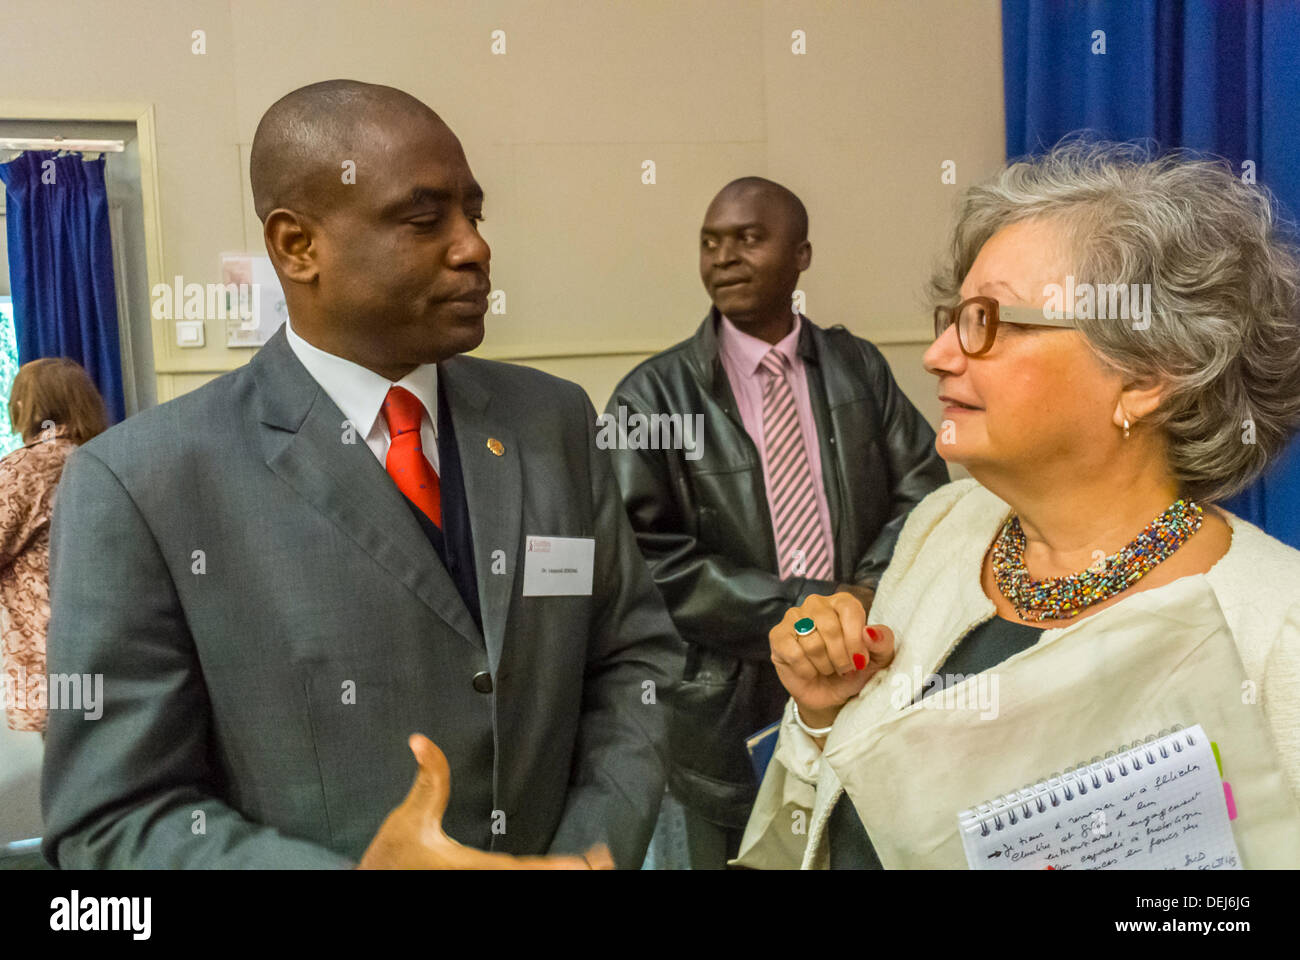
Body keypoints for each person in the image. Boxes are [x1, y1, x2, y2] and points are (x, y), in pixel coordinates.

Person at [40, 79, 684, 869]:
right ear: (297, 246)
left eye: (473, 214)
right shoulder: (143, 484)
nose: (473, 246)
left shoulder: (551, 422)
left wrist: (593, 851)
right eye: (423, 219)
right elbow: (112, 819)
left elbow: (632, 662)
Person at [738, 141, 1300, 869]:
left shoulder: (1277, 632)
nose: (938, 353)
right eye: (952, 317)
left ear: (1147, 378)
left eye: (987, 321)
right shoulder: (945, 527)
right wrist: (822, 712)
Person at [606, 177, 949, 867]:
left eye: (748, 239)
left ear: (802, 255)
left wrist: (860, 598)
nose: (724, 257)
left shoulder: (859, 367)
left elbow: (925, 493)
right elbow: (643, 556)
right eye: (711, 243)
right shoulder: (653, 393)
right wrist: (805, 613)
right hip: (724, 709)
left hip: (864, 676)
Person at [0, 358, 107, 736]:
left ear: (26, 407)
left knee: (71, 780)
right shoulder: (105, 458)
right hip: (112, 644)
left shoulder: (20, 470)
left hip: (50, 655)